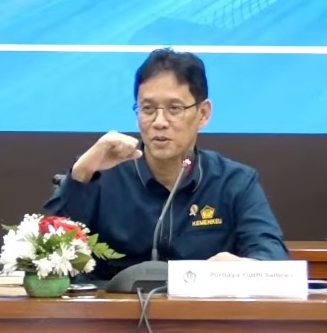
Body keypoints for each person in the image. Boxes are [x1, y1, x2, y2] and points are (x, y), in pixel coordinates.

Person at [44, 48, 289, 280]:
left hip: (199, 309)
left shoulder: (234, 183)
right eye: (148, 109)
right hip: (112, 309)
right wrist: (81, 173)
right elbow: (44, 255)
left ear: (203, 114)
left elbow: (273, 257)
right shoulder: (102, 176)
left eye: (174, 108)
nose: (159, 122)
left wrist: (247, 268)